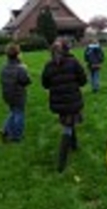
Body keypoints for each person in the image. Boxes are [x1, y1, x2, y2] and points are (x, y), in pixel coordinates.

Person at [41, 40, 87, 172]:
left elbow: (45, 84)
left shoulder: (49, 66)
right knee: (67, 127)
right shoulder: (73, 62)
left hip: (60, 102)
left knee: (69, 122)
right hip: (71, 101)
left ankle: (74, 145)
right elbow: (83, 80)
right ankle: (61, 163)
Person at [0, 43, 31, 143]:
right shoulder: (20, 68)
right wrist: (25, 70)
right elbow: (26, 81)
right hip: (18, 96)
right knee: (19, 114)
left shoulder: (3, 67)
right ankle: (17, 136)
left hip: (7, 95)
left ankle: (5, 129)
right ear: (17, 54)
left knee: (13, 112)